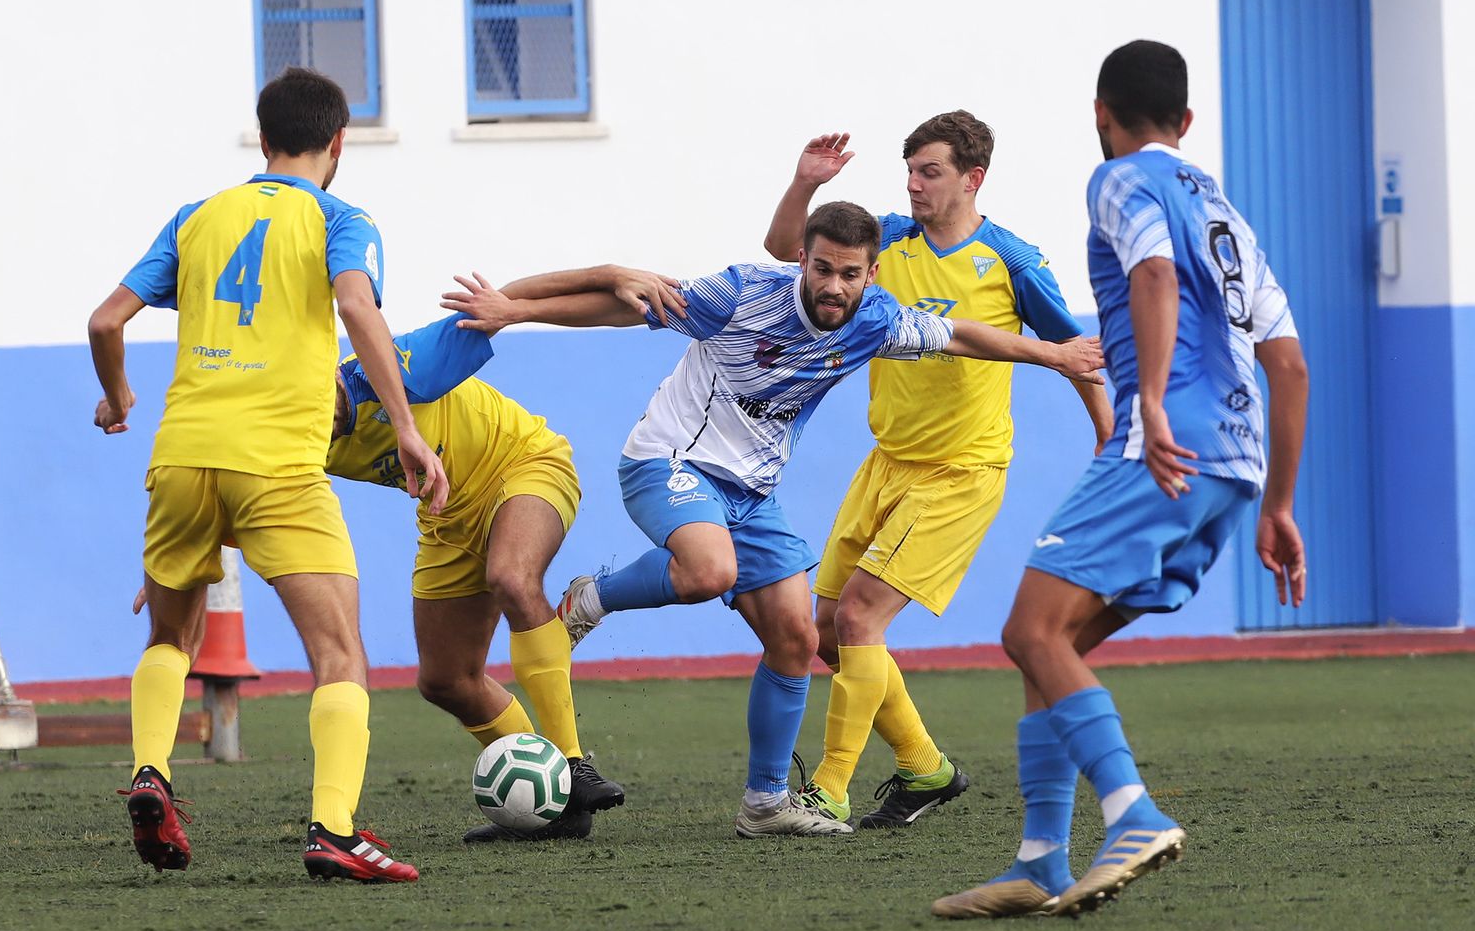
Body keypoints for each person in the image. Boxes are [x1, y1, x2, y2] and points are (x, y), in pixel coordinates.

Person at [440, 201, 1105, 838]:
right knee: (708, 569)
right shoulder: (743, 292)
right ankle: (595, 597)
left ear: (872, 274)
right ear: (802, 259)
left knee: (795, 638)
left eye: (850, 273)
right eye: (823, 269)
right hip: (670, 461)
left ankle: (764, 803)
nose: (834, 286)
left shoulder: (876, 319)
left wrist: (1056, 355)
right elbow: (622, 301)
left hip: (752, 493)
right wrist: (514, 309)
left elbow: (958, 334)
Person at [931, 40, 1308, 919]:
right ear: (1186, 122)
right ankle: (1039, 863)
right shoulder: (1226, 213)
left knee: (1029, 630)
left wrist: (1150, 399)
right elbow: (1286, 364)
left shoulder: (1119, 180)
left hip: (1160, 449)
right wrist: (1279, 501)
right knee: (1051, 643)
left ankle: (1131, 813)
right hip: (1236, 471)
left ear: (1101, 115)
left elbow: (1151, 273)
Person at [88, 67, 446, 883]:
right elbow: (357, 307)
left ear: (262, 138)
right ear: (339, 143)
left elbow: (105, 319)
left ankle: (152, 773)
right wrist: (404, 425)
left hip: (181, 454)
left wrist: (116, 398)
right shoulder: (341, 218)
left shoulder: (197, 217)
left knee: (170, 636)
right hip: (278, 462)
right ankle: (334, 830)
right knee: (340, 653)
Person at [761, 114, 1115, 830]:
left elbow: (1073, 351)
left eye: (930, 173)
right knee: (826, 629)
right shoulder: (886, 238)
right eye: (910, 172)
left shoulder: (1010, 260)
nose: (915, 186)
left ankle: (828, 790)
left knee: (860, 616)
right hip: (886, 463)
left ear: (971, 179)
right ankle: (926, 769)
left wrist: (1111, 438)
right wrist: (805, 183)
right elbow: (783, 248)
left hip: (961, 472)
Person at [324, 316, 626, 842]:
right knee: (445, 680)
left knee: (512, 577)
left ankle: (574, 765)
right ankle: (556, 804)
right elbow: (249, 504)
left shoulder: (396, 366)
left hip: (525, 463)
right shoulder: (294, 441)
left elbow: (495, 311)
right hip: (447, 520)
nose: (297, 418)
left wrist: (605, 279)